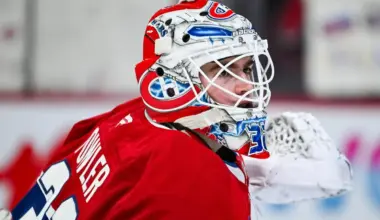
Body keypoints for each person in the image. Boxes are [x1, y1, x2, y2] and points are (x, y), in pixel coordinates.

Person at [7, 0, 352, 219]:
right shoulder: (197, 178)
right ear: (171, 81)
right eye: (222, 69)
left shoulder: (120, 119)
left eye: (246, 68)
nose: (247, 84)